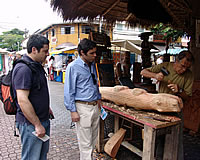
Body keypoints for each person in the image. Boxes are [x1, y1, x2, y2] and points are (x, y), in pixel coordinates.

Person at [140, 50, 194, 160]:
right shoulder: (165, 66)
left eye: (186, 68)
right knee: (158, 137)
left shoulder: (189, 75)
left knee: (176, 140)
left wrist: (179, 90)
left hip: (176, 111)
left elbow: (188, 97)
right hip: (160, 108)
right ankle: (157, 157)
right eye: (182, 66)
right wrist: (155, 75)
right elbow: (143, 72)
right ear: (176, 61)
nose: (183, 70)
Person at [12, 34, 51, 160]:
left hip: (40, 120)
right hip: (31, 124)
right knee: (31, 157)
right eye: (45, 51)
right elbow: (22, 100)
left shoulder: (36, 65)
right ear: (34, 49)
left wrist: (46, 108)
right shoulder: (24, 69)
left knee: (40, 156)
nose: (47, 54)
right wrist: (37, 125)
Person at [64, 38, 101, 160]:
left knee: (93, 139)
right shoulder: (73, 67)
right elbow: (69, 91)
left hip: (94, 106)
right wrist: (73, 111)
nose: (95, 55)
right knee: (85, 143)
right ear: (82, 53)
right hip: (82, 108)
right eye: (92, 53)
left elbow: (94, 84)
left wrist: (99, 100)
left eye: (95, 52)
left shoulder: (92, 65)